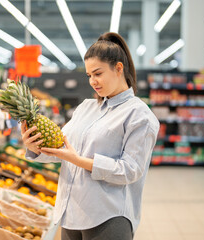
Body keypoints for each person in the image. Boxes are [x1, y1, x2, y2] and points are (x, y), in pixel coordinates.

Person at [21, 32, 159, 240]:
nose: (93, 81)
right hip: (71, 212)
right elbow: (63, 149)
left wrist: (80, 161)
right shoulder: (86, 108)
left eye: (98, 73)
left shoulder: (139, 115)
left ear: (119, 68)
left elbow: (130, 170)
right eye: (89, 76)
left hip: (108, 216)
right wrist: (34, 148)